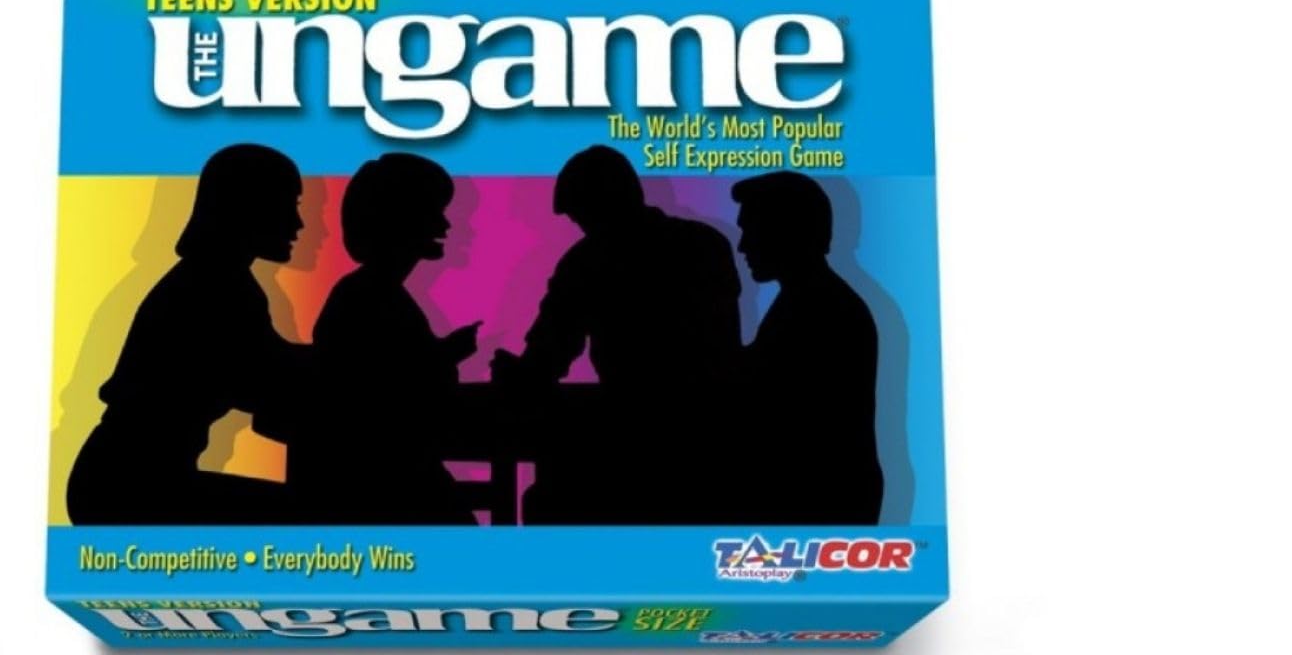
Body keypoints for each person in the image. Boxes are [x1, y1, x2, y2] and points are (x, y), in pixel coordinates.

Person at [66, 143, 311, 524]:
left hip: (125, 480)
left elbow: (269, 362)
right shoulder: (217, 287)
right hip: (128, 488)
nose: (298, 223)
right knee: (305, 516)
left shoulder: (218, 279)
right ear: (249, 206)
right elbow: (267, 378)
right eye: (287, 205)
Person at [496, 145, 743, 523]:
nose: (580, 226)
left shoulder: (587, 261)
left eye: (580, 215)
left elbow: (547, 354)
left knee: (548, 502)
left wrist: (519, 374)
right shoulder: (705, 244)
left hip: (633, 438)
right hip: (714, 438)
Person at [299, 154, 480, 524]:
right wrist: (445, 357)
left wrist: (444, 355)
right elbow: (388, 392)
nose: (445, 224)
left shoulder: (371, 293)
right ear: (400, 220)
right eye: (432, 212)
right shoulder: (370, 297)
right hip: (382, 482)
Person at [731, 172, 883, 523]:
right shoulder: (813, 299)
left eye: (752, 230)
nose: (743, 246)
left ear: (786, 231)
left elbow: (770, 401)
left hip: (817, 500)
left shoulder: (820, 308)